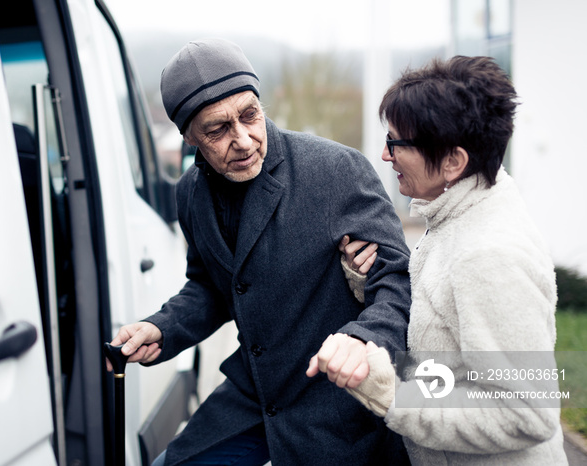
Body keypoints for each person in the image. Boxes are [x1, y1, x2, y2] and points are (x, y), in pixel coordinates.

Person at [107, 38, 412, 466]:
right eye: (217, 130)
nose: (245, 139)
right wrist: (163, 327)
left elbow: (397, 279)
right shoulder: (189, 194)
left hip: (339, 400)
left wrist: (363, 339)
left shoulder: (336, 170)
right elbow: (212, 287)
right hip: (254, 394)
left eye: (250, 115)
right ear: (189, 137)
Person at [339, 56, 568, 465]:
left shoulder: (490, 255)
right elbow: (444, 325)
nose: (386, 156)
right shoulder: (459, 211)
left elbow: (527, 414)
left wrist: (394, 397)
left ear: (453, 162)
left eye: (396, 143)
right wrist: (368, 282)